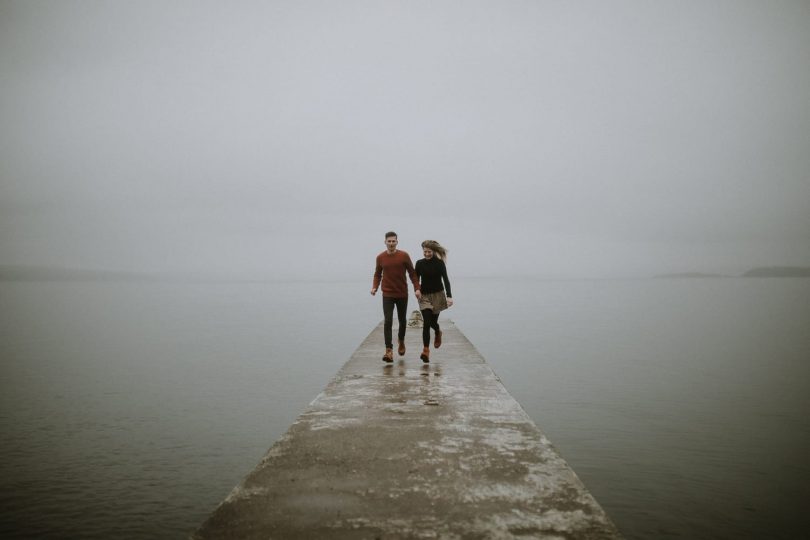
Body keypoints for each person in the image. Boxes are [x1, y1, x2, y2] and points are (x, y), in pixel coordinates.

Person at [371, 231, 421, 363]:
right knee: (388, 321)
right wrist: (374, 287)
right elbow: (377, 274)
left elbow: (412, 273)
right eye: (389, 241)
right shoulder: (380, 257)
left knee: (402, 320)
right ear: (385, 242)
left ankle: (401, 340)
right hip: (387, 294)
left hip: (401, 293)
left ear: (397, 242)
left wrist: (417, 288)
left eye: (394, 241)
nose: (391, 243)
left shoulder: (404, 256)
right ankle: (389, 350)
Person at [414, 240, 453, 363]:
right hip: (424, 296)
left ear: (434, 251)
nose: (426, 254)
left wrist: (449, 296)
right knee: (426, 322)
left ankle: (437, 331)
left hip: (438, 295)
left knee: (433, 322)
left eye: (429, 252)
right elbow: (416, 279)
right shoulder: (419, 263)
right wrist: (417, 289)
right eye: (424, 251)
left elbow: (446, 280)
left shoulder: (440, 263)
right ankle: (426, 350)